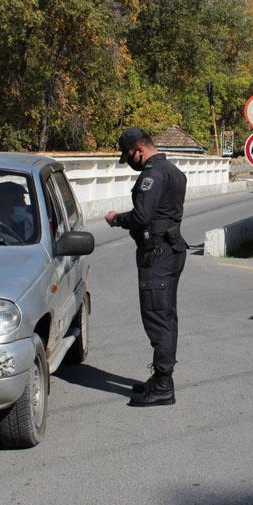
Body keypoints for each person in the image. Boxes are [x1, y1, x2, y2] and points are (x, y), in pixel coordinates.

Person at [105, 128, 188, 407]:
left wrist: (117, 219)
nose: (130, 162)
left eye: (129, 156)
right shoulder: (174, 170)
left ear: (139, 150)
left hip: (158, 254)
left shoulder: (151, 175)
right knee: (165, 315)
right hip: (171, 249)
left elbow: (141, 218)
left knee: (158, 318)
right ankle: (161, 379)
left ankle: (163, 385)